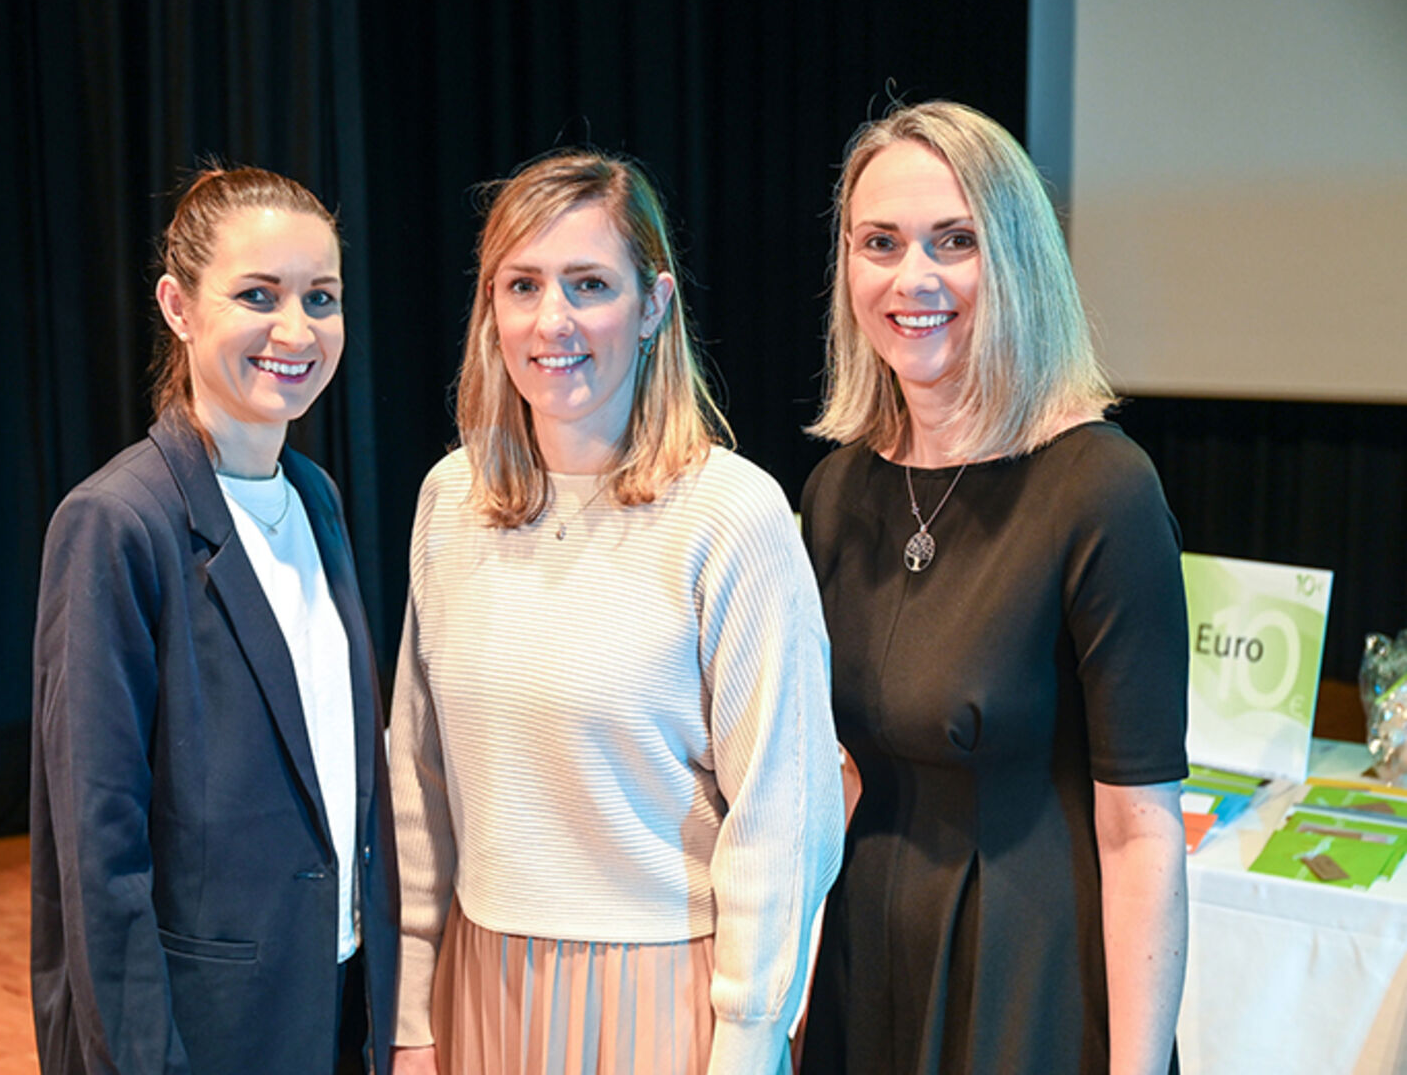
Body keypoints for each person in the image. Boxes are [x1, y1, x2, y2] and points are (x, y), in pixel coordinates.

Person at [387, 149, 844, 1075]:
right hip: (480, 987)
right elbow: (416, 780)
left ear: (652, 306)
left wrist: (750, 1043)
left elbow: (782, 816)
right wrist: (410, 1016)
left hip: (669, 1004)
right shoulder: (449, 499)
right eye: (523, 285)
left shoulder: (735, 515)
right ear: (493, 311)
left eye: (588, 283)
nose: (552, 319)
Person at [797, 100, 1190, 1074]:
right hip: (864, 964)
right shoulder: (837, 487)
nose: (910, 278)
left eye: (953, 241)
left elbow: (1140, 834)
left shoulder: (1099, 487)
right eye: (878, 242)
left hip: (1034, 985)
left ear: (1014, 259)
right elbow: (840, 776)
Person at [29, 166, 397, 1074]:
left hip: (337, 1000)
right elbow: (97, 851)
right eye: (257, 295)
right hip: (208, 1029)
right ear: (179, 306)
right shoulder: (117, 522)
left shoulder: (315, 498)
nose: (296, 330)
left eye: (322, 297)